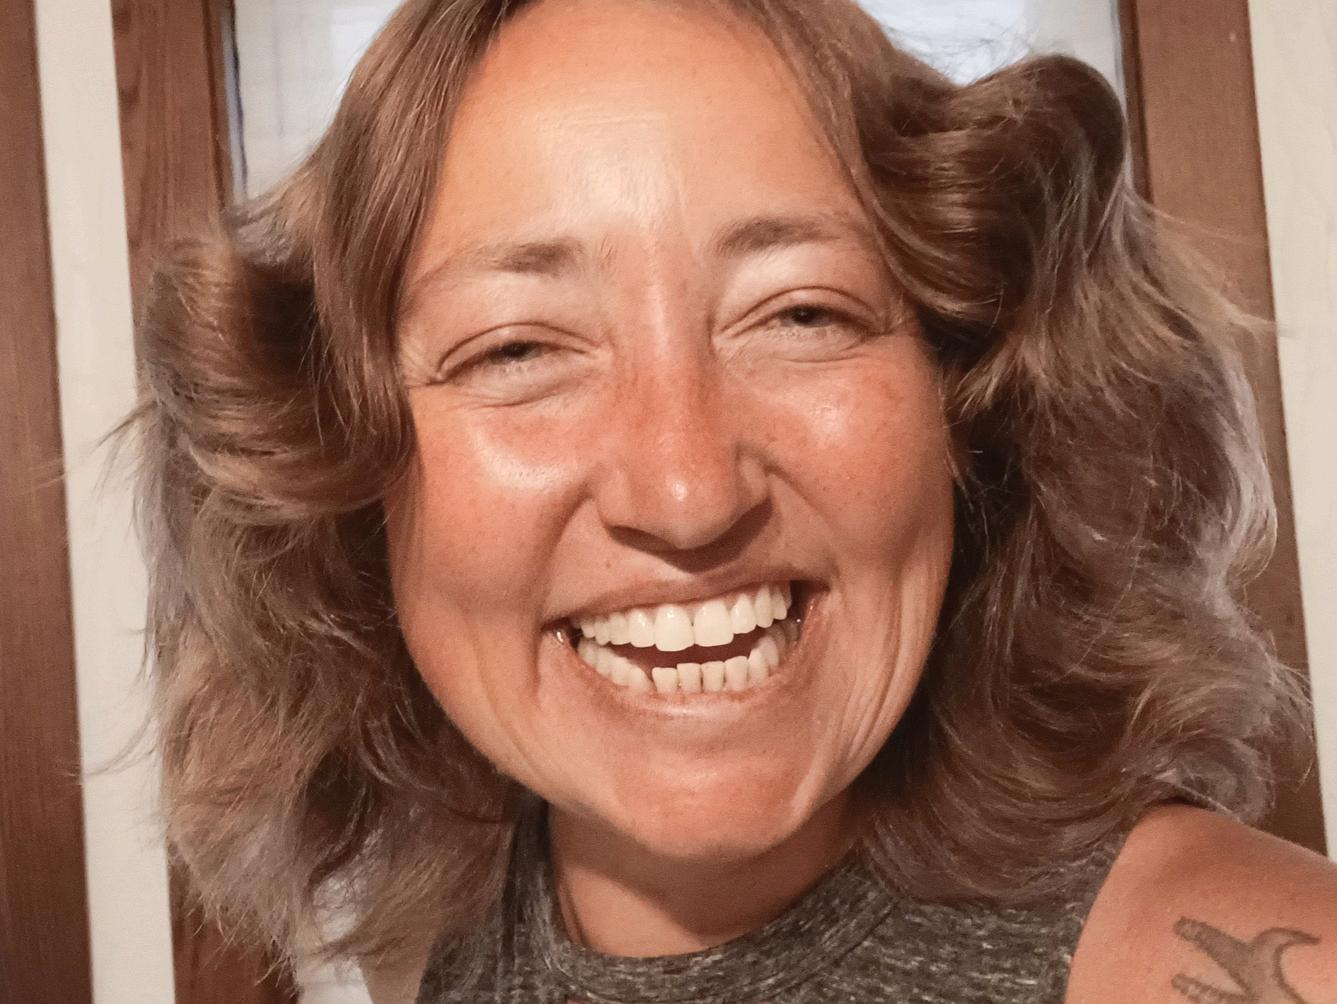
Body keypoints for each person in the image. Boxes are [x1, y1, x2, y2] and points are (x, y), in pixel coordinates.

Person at [129, 0, 1337, 1000]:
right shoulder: (443, 938)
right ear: (341, 470)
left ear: (965, 408)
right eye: (517, 348)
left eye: (799, 313)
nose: (687, 489)